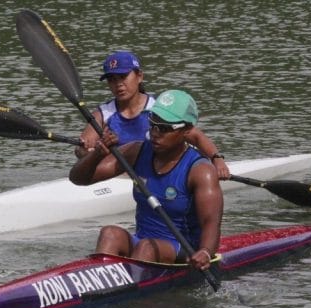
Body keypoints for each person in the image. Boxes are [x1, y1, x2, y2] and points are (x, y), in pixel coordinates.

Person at [69, 89, 223, 269]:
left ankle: (133, 286)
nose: (155, 133)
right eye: (152, 124)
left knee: (147, 247)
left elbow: (211, 223)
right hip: (142, 241)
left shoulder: (201, 171)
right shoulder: (137, 151)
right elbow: (78, 179)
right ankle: (100, 280)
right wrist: (96, 154)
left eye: (164, 128)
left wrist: (205, 252)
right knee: (109, 233)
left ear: (187, 130)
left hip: (185, 249)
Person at [75, 51, 230, 179]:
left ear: (139, 76)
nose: (118, 84)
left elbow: (195, 136)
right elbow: (81, 150)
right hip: (118, 176)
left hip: (157, 172)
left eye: (123, 77)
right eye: (112, 80)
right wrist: (88, 152)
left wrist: (216, 159)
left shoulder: (160, 108)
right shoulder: (102, 114)